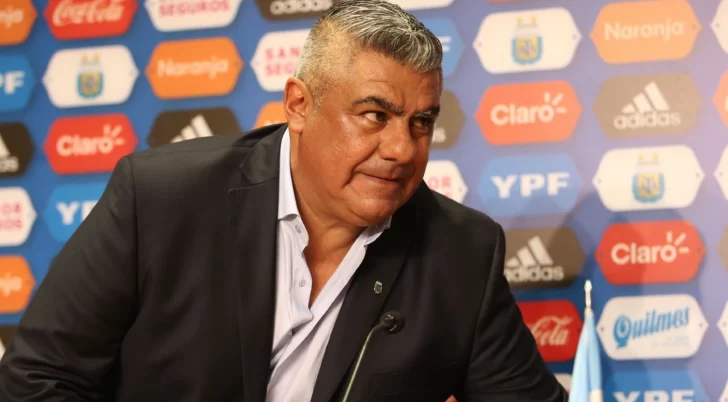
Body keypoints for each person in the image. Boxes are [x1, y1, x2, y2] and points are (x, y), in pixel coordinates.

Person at [0, 1, 568, 401]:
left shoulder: (462, 253)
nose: (402, 148)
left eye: (422, 122)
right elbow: (39, 380)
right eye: (375, 115)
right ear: (299, 105)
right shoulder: (160, 200)